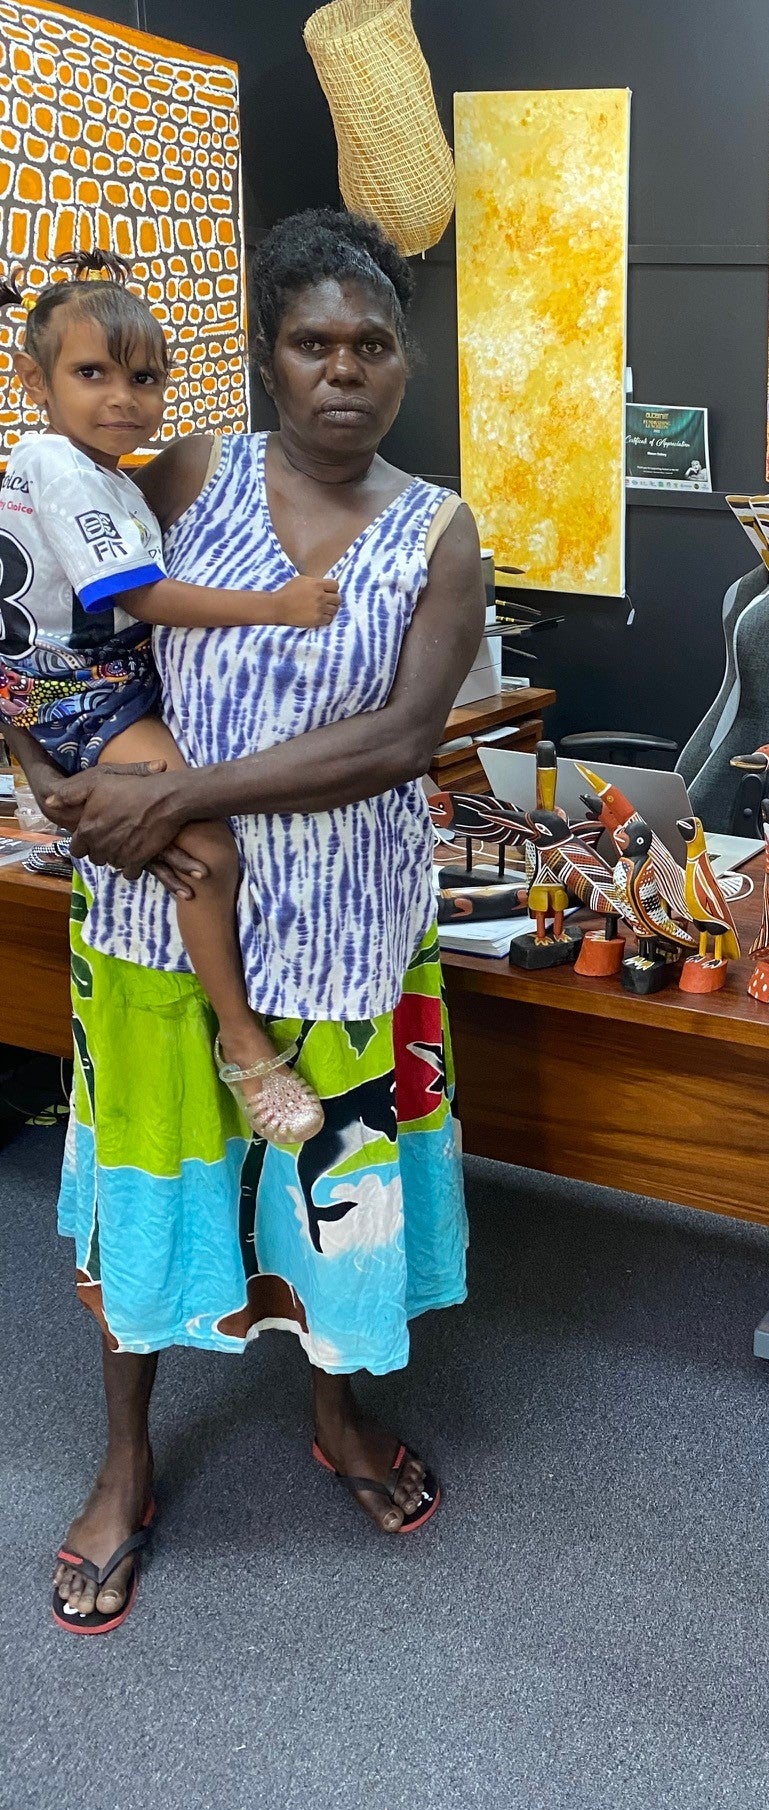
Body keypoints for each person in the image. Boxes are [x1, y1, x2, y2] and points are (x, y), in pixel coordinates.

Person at [10, 208, 485, 1635]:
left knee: (334, 1183)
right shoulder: (183, 471)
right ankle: (127, 1453)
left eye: (372, 344)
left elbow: (403, 737)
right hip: (160, 925)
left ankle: (336, 1414)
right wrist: (51, 775)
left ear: (405, 360)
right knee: (157, 1177)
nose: (344, 371)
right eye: (312, 342)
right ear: (269, 359)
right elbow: (61, 626)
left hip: (342, 939)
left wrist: (183, 795)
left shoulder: (437, 533)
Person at [1, 249, 334, 1145]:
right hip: (87, 694)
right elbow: (138, 597)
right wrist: (279, 606)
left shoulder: (89, 470)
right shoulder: (65, 470)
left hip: (77, 687)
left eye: (143, 378)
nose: (122, 397)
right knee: (206, 850)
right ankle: (244, 1044)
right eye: (91, 373)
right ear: (34, 380)